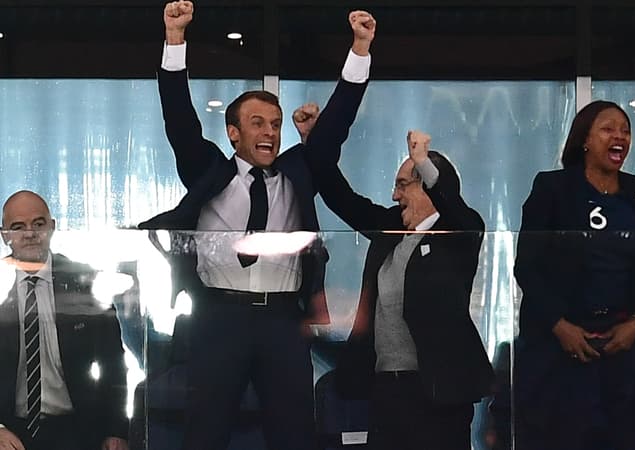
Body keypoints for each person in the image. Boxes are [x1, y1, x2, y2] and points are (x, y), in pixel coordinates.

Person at [137, 1, 374, 449]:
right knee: (206, 431)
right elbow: (179, 121)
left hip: (284, 321)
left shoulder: (298, 172)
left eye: (276, 125)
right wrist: (174, 39)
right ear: (233, 133)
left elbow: (335, 126)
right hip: (219, 316)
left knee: (294, 435)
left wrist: (360, 48)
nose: (269, 133)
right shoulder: (209, 169)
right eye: (257, 123)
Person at [303, 125, 494, 450]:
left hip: (438, 389)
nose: (395, 195)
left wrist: (422, 160)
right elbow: (341, 198)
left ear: (427, 187)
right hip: (386, 389)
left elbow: (451, 202)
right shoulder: (391, 229)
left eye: (403, 185)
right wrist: (315, 143)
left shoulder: (459, 230)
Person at [513, 100, 635, 449]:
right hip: (563, 343)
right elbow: (527, 266)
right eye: (608, 129)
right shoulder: (552, 188)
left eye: (625, 130)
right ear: (585, 139)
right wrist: (559, 325)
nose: (619, 137)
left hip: (622, 339)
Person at [0, 190, 128, 450]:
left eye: (38, 224)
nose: (29, 233)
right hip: (9, 430)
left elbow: (113, 360)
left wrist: (116, 430)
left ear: (52, 227)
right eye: (18, 227)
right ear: (5, 236)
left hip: (77, 427)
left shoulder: (85, 281)